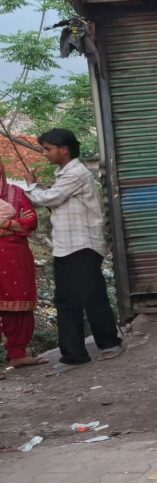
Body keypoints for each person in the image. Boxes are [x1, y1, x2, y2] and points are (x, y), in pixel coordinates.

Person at [24, 129, 123, 373]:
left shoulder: (77, 173)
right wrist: (38, 187)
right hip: (65, 247)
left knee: (92, 296)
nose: (45, 154)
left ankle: (109, 343)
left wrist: (31, 187)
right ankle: (74, 355)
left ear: (64, 149)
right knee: (66, 301)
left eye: (48, 149)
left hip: (83, 245)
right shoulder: (65, 175)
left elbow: (51, 198)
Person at [0, 162, 48, 379]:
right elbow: (22, 223)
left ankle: (17, 354)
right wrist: (14, 224)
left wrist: (6, 224)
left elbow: (30, 221)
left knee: (19, 304)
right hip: (12, 248)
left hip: (15, 256)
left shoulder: (16, 192)